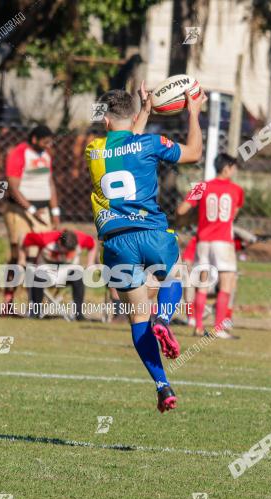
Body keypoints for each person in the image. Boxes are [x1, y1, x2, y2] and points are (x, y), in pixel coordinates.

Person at [86, 82, 205, 413]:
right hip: (151, 232)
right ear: (132, 117)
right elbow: (193, 152)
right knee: (174, 276)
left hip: (115, 241)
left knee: (137, 316)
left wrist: (146, 109)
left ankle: (162, 384)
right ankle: (164, 320)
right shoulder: (149, 143)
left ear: (106, 121)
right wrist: (193, 112)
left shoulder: (93, 150)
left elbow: (122, 144)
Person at [176, 153, 244, 338]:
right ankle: (219, 328)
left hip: (203, 241)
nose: (234, 171)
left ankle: (198, 326)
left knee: (202, 285)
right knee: (226, 284)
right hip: (223, 241)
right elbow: (233, 213)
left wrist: (197, 215)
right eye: (233, 167)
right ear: (226, 168)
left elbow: (181, 209)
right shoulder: (236, 190)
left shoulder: (201, 186)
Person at [1, 125, 61, 312]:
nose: (48, 144)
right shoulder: (19, 153)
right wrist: (31, 209)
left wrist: (55, 212)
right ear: (34, 139)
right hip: (19, 211)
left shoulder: (45, 156)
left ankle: (34, 304)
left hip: (42, 212)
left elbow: (50, 183)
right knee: (19, 257)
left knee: (40, 257)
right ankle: (8, 302)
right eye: (45, 141)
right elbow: (13, 186)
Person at [19, 228, 97, 320]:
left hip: (66, 273)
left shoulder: (80, 238)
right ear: (59, 243)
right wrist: (21, 259)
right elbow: (23, 238)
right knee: (37, 277)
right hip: (46, 272)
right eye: (66, 250)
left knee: (78, 276)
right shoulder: (46, 239)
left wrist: (90, 262)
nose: (67, 253)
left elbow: (93, 244)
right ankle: (36, 312)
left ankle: (79, 314)